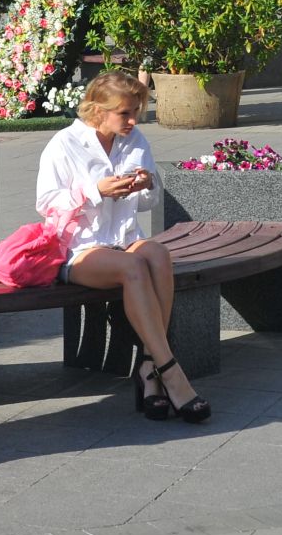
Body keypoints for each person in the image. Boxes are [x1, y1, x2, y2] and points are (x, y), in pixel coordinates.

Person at [38, 72, 210, 424]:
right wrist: (95, 191)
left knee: (158, 255)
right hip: (79, 249)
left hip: (126, 240)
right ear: (97, 110)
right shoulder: (64, 143)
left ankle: (147, 366)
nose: (133, 120)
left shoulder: (134, 139)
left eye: (136, 111)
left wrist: (145, 185)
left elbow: (149, 201)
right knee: (133, 267)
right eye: (125, 113)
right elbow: (47, 204)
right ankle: (170, 371)